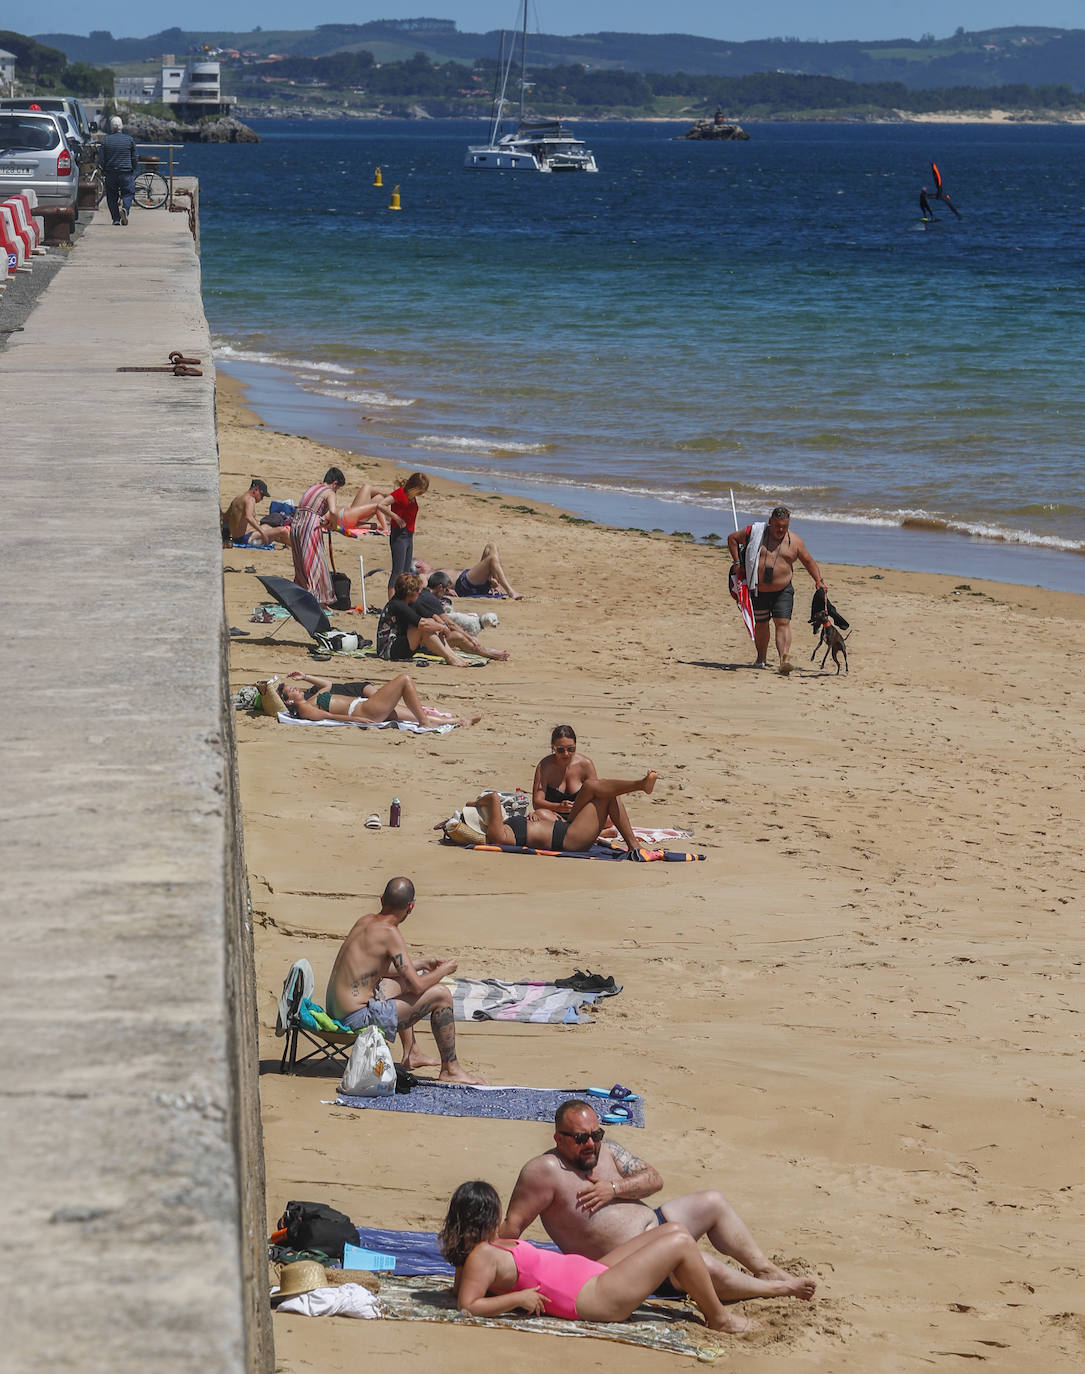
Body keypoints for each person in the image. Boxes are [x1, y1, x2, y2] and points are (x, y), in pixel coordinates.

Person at [499, 1100, 816, 1318]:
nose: (591, 1144)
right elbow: (511, 1231)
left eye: (596, 1135)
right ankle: (776, 1288)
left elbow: (654, 1179)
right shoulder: (545, 1172)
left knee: (713, 1201)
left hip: (658, 1224)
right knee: (706, 1265)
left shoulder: (608, 1153)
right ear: (560, 1138)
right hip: (631, 1263)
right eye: (582, 1138)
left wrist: (614, 1189)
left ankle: (763, 1268)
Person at [440, 1180, 741, 1333]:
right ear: (486, 1218)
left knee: (674, 1229)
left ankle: (762, 1289)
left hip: (592, 1275)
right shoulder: (480, 1255)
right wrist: (516, 1300)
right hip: (591, 1297)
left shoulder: (478, 1253)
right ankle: (719, 1318)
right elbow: (468, 1305)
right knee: (679, 1243)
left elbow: (462, 1289)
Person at [325, 876, 483, 1083]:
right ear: (411, 907)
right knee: (441, 995)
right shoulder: (391, 933)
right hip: (356, 1019)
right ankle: (451, 1069)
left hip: (338, 1010)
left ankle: (412, 1052)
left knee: (399, 981)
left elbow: (377, 969)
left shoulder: (365, 921)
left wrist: (423, 963)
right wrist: (444, 970)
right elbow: (417, 987)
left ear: (382, 899)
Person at [727, 505, 826, 674]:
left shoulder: (795, 542)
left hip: (783, 590)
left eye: (784, 526)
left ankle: (784, 660)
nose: (780, 529)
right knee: (761, 624)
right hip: (758, 589)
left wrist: (818, 580)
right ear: (770, 522)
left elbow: (808, 561)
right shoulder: (755, 533)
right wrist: (737, 562)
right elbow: (732, 539)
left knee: (782, 623)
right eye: (777, 525)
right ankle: (761, 659)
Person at [475, 771, 656, 857]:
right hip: (570, 839)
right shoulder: (499, 836)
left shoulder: (510, 827)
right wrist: (476, 803)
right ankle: (640, 785)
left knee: (593, 786)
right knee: (606, 795)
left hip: (569, 828)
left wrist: (539, 814)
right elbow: (493, 799)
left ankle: (641, 786)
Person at [279, 671, 482, 729]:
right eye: (292, 690)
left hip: (365, 707)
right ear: (289, 702)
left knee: (414, 713)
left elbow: (328, 685)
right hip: (365, 711)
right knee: (404, 680)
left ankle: (457, 721)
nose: (296, 689)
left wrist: (305, 676)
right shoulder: (305, 708)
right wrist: (359, 721)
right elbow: (329, 716)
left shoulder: (311, 697)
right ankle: (425, 722)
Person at [378, 573, 471, 667]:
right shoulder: (397, 604)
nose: (420, 592)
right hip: (388, 650)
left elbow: (432, 616)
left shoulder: (408, 602)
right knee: (425, 628)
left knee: (431, 625)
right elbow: (422, 623)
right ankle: (450, 658)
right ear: (411, 592)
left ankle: (454, 656)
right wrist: (442, 628)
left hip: (400, 643)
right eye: (418, 590)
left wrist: (441, 625)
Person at [416, 572, 510, 662]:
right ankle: (487, 652)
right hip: (424, 643)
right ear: (440, 587)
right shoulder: (432, 600)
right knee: (459, 637)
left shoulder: (423, 594)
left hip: (419, 637)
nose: (447, 592)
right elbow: (450, 623)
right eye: (446, 590)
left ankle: (485, 650)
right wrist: (470, 637)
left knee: (456, 634)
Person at [290, 467, 345, 606]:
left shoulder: (313, 488)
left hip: (297, 523)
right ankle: (315, 598)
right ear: (335, 483)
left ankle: (300, 592)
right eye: (338, 488)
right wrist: (333, 523)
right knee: (315, 561)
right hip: (309, 525)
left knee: (300, 561)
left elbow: (308, 508)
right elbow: (333, 511)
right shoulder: (329, 492)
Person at [529, 725, 597, 822]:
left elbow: (597, 796)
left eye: (571, 749)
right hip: (555, 815)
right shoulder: (545, 766)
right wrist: (558, 807)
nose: (566, 754)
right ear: (553, 748)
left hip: (580, 816)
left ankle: (569, 829)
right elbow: (537, 803)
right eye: (560, 750)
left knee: (610, 810)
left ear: (576, 746)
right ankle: (584, 831)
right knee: (540, 814)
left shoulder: (585, 764)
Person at [387, 472, 429, 599]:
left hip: (409, 536)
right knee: (397, 572)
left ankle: (401, 600)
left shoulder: (412, 497)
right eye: (420, 491)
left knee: (406, 573)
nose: (421, 494)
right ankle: (391, 603)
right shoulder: (400, 493)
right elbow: (381, 504)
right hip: (399, 535)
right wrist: (395, 517)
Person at [222, 478, 290, 547]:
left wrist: (227, 535)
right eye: (262, 495)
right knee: (282, 531)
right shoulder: (250, 499)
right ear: (256, 490)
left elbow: (225, 517)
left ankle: (287, 543)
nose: (262, 499)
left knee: (268, 527)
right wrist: (262, 532)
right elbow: (248, 517)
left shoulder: (237, 498)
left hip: (237, 538)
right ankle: (295, 547)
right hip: (247, 539)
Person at [440, 543, 522, 600]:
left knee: (491, 546)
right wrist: (447, 590)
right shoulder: (428, 575)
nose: (426, 564)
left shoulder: (432, 570)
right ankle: (510, 591)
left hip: (469, 579)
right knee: (492, 558)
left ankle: (492, 580)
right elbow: (429, 589)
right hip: (464, 585)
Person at [98, 115, 137, 226]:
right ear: (121, 126)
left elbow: (102, 158)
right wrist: (133, 168)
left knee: (111, 195)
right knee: (128, 192)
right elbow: (134, 157)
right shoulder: (129, 140)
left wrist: (102, 168)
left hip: (111, 172)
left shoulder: (106, 140)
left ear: (111, 127)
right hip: (126, 172)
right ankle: (125, 209)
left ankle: (115, 219)